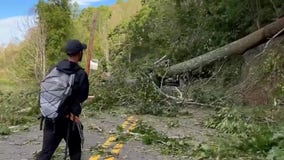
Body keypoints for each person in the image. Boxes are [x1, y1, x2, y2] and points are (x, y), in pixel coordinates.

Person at [37, 39, 89, 160]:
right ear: (80, 53)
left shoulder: (54, 68)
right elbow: (83, 96)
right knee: (75, 151)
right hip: (69, 120)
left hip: (50, 117)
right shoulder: (80, 74)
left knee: (45, 153)